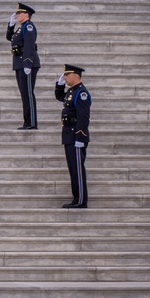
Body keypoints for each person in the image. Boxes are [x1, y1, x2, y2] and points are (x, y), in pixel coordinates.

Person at [55, 64, 91, 209]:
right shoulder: (71, 92)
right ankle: (76, 198)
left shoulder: (81, 93)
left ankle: (81, 200)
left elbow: (83, 118)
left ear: (76, 76)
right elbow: (60, 97)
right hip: (68, 135)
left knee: (77, 169)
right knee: (73, 169)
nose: (65, 77)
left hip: (76, 136)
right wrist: (59, 85)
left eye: (67, 75)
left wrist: (80, 137)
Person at [6, 2, 40, 130]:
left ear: (27, 14)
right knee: (24, 93)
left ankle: (31, 122)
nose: (18, 15)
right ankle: (27, 122)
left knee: (28, 93)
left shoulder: (29, 27)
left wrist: (27, 63)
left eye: (20, 13)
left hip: (27, 63)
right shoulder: (21, 27)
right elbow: (10, 38)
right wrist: (11, 25)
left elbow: (29, 46)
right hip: (19, 63)